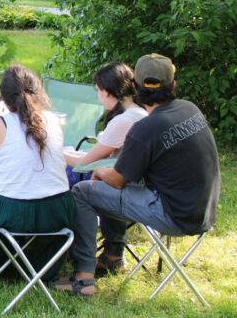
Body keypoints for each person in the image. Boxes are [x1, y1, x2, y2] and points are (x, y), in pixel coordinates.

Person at [56, 53, 221, 297]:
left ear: (135, 87)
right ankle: (113, 256)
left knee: (84, 191)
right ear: (173, 85)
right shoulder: (190, 109)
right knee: (107, 190)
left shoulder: (144, 128)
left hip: (173, 214)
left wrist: (100, 170)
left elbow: (118, 180)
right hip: (203, 211)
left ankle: (83, 278)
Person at [0, 64, 75, 282]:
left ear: (3, 98)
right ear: (37, 92)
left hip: (14, 216)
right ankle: (38, 261)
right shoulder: (54, 120)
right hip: (57, 213)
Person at [64, 62, 148, 194]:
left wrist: (54, 153)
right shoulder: (141, 111)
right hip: (136, 178)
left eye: (98, 90)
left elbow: (83, 164)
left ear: (106, 92)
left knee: (61, 171)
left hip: (126, 185)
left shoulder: (123, 121)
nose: (98, 96)